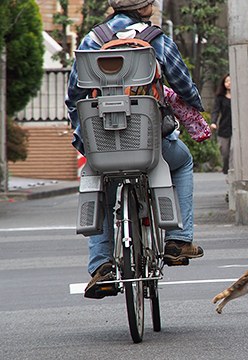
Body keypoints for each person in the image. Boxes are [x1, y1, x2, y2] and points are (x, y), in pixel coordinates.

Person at [65, 0, 208, 299]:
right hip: (150, 145)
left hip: (104, 147)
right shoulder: (157, 40)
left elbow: (74, 96)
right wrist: (196, 106)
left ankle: (101, 265)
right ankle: (178, 240)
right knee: (182, 163)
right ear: (143, 9)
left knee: (100, 183)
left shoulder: (92, 40)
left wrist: (85, 138)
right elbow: (183, 85)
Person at [210, 74, 232, 174]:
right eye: (226, 81)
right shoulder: (220, 97)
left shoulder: (239, 97)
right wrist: (213, 122)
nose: (229, 83)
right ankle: (226, 170)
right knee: (225, 152)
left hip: (236, 129)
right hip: (224, 128)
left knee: (234, 151)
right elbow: (215, 111)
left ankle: (234, 171)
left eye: (230, 81)